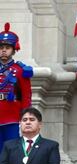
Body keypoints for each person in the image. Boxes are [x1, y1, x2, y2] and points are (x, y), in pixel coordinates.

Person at [0, 23, 33, 153]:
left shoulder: (20, 70)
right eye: (1, 47)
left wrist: (24, 118)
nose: (3, 50)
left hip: (12, 116)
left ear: (13, 50)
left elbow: (26, 95)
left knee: (12, 151)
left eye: (7, 47)